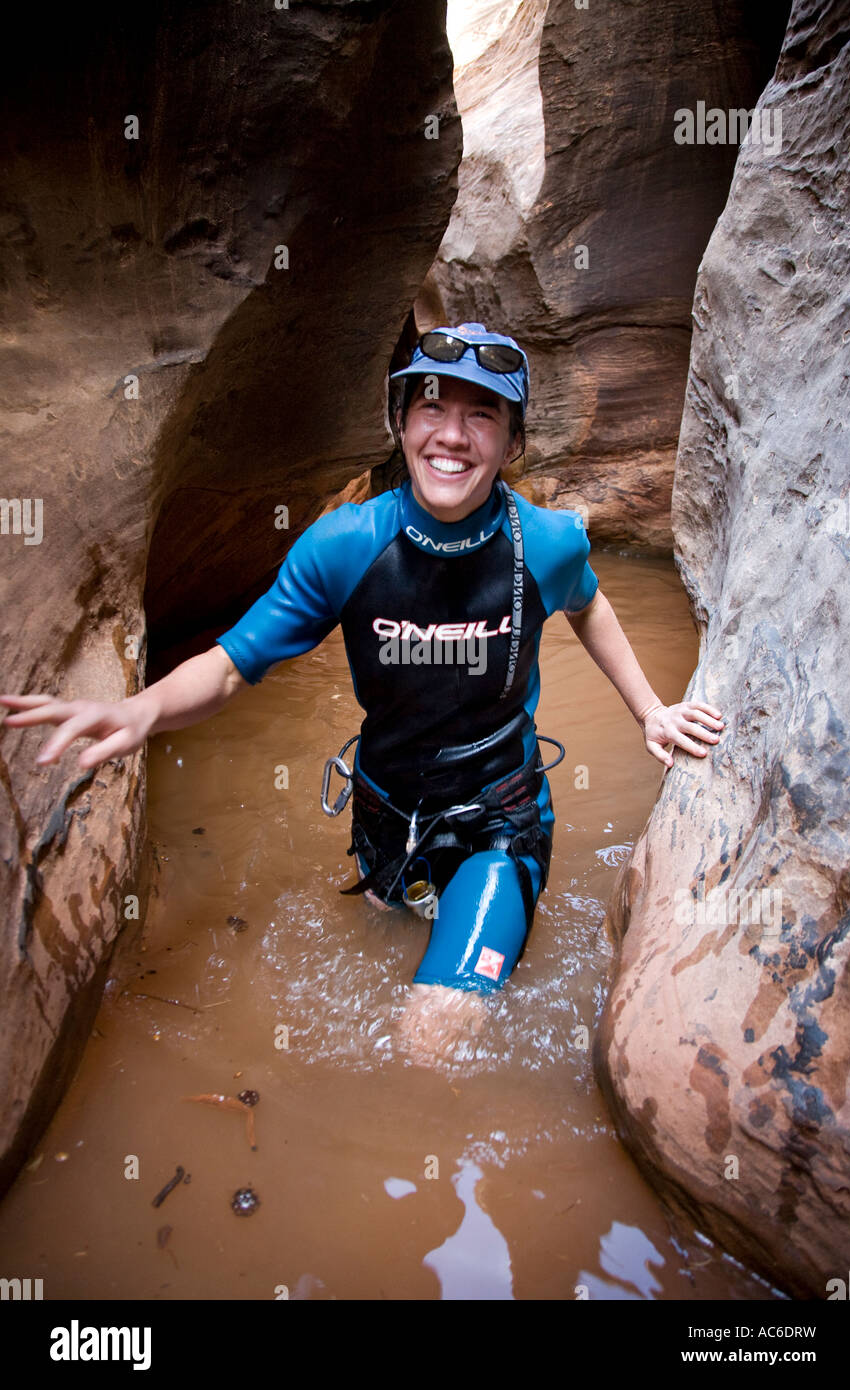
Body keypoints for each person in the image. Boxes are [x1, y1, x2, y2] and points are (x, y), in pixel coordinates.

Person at [0, 321, 725, 1066]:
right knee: (383, 930)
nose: (452, 435)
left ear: (512, 446)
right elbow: (229, 665)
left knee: (429, 1037)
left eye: (482, 415)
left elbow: (589, 602)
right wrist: (139, 709)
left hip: (498, 818)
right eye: (432, 408)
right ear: (400, 422)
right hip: (385, 810)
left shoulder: (548, 541)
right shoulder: (344, 547)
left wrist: (650, 710)